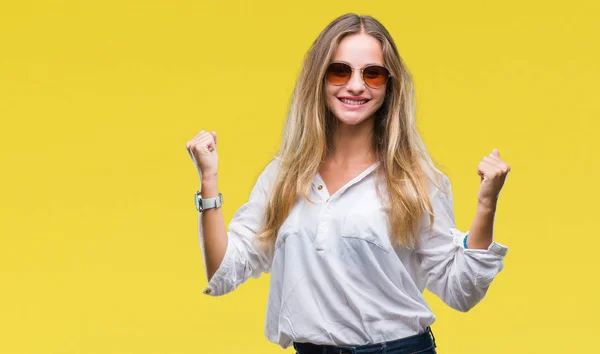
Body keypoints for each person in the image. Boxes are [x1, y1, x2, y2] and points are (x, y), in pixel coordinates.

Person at [185, 13, 510, 354]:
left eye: (373, 74)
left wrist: (487, 205)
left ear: (389, 86)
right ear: (319, 79)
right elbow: (222, 272)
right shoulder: (284, 177)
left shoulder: (415, 180)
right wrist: (209, 180)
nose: (356, 86)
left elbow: (461, 291)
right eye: (340, 70)